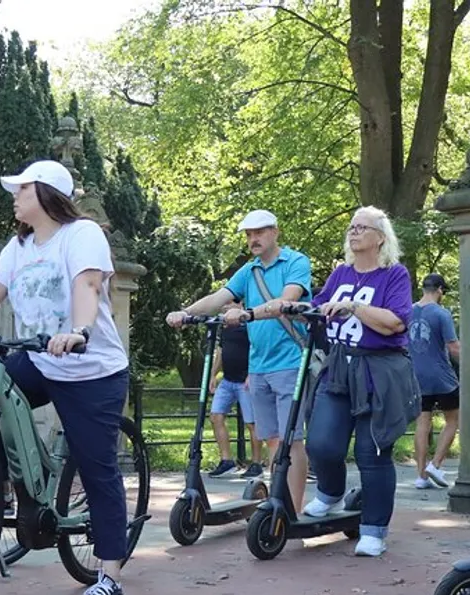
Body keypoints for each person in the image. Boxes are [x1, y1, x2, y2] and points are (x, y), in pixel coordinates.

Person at [0, 160, 131, 595]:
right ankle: (1, 486)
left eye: (22, 189)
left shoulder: (82, 235)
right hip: (40, 360)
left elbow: (88, 284)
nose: (14, 196)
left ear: (46, 193)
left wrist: (78, 330)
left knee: (98, 470)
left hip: (89, 368)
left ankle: (110, 574)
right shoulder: (19, 245)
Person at [166, 210, 312, 512]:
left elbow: (285, 302)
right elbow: (220, 297)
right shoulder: (249, 270)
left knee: (290, 440)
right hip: (258, 366)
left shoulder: (296, 262)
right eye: (248, 234)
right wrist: (186, 312)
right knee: (272, 438)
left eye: (258, 232)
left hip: (290, 363)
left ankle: (293, 510)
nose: (252, 239)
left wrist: (246, 314)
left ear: (275, 231)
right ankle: (278, 503)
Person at [300, 206, 419, 557]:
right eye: (351, 227)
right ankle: (331, 492)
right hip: (340, 368)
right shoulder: (341, 273)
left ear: (380, 237)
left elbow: (395, 322)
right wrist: (292, 308)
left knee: (373, 452)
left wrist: (352, 306)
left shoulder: (394, 275)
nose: (353, 233)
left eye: (361, 227)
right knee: (321, 442)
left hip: (380, 371)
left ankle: (373, 529)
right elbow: (318, 305)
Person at [410, 273, 460, 489]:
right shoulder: (441, 314)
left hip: (416, 375)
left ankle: (421, 476)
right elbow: (453, 348)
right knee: (453, 421)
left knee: (422, 423)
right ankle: (436, 464)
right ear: (439, 289)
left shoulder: (408, 311)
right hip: (442, 377)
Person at [207, 306, 264, 479]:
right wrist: (213, 375)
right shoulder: (225, 326)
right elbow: (221, 352)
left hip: (245, 381)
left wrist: (251, 373)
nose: (225, 308)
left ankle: (256, 463)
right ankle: (226, 461)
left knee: (252, 423)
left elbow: (258, 349)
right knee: (215, 417)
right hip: (228, 380)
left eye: (229, 304)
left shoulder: (249, 324)